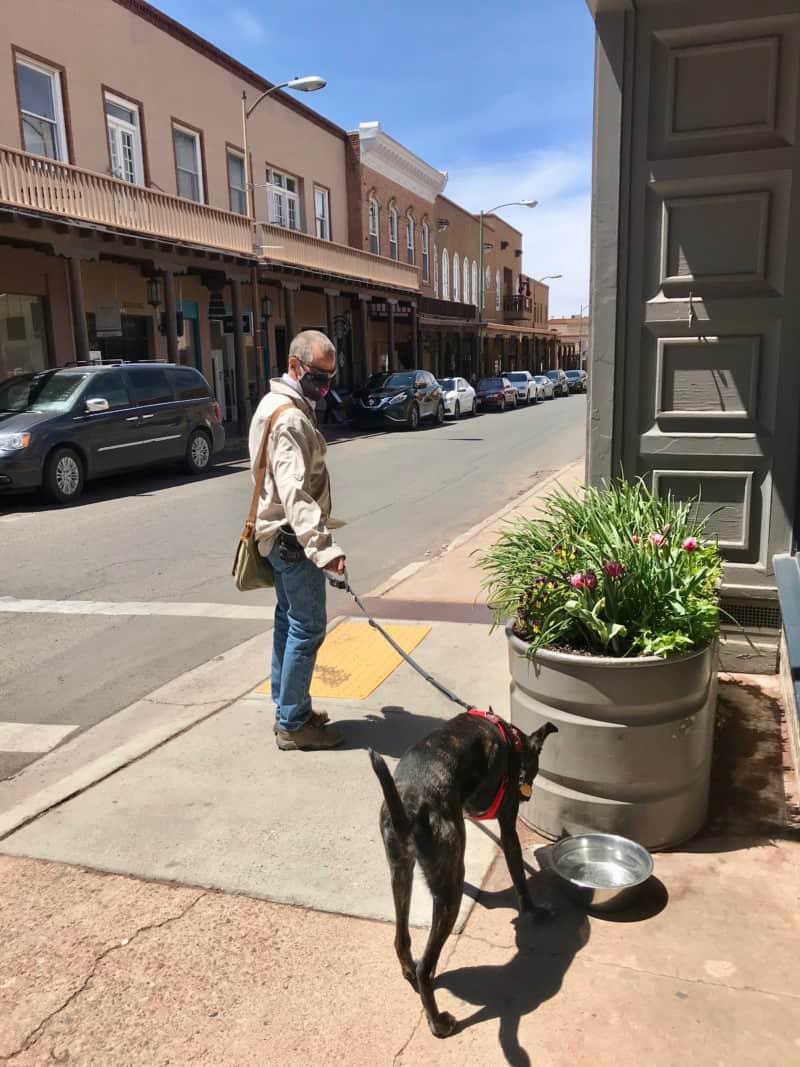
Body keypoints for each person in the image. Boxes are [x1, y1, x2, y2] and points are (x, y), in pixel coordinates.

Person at [248, 330, 346, 751]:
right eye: (317, 378)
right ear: (293, 366)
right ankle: (293, 723)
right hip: (293, 541)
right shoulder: (289, 417)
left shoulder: (274, 404)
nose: (324, 388)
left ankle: (289, 708)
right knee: (307, 628)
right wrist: (324, 550)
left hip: (276, 536)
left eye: (330, 379)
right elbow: (294, 493)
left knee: (288, 622)